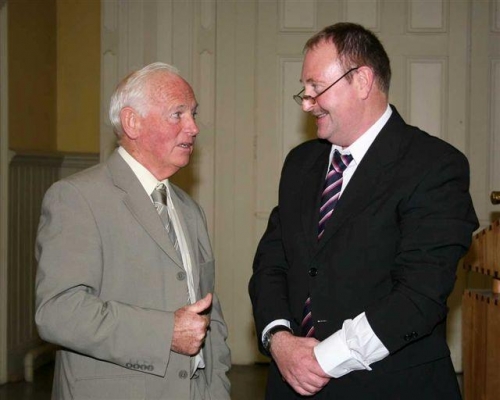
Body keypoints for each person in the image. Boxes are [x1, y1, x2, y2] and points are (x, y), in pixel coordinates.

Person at [249, 22, 478, 399]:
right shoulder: (300, 163)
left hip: (391, 387)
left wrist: (321, 359)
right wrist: (279, 339)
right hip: (290, 383)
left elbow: (419, 296)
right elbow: (272, 264)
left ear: (362, 81)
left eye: (316, 88)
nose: (307, 103)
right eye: (304, 90)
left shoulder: (435, 166)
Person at [35, 62, 231, 400]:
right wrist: (165, 332)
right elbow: (58, 312)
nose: (193, 127)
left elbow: (210, 317)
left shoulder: (189, 209)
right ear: (132, 122)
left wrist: (216, 391)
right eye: (178, 114)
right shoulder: (77, 197)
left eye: (193, 114)